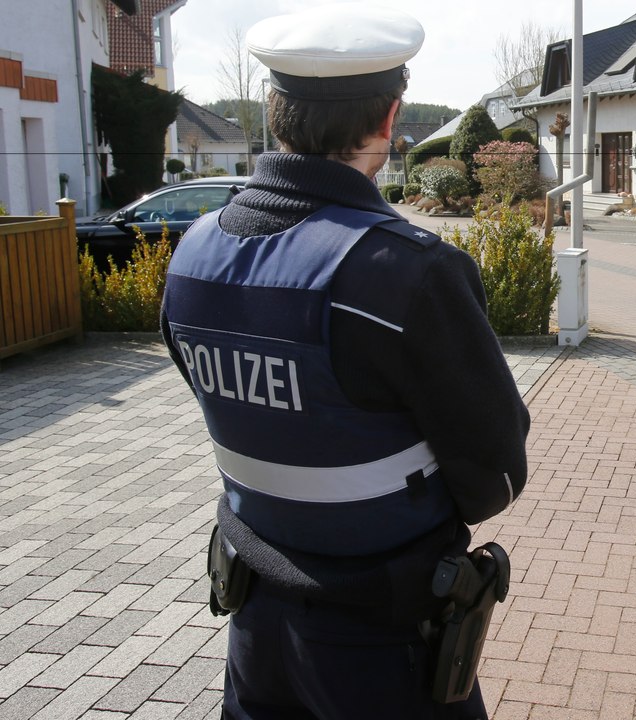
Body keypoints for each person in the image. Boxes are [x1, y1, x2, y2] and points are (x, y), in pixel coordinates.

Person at [159, 5, 529, 718]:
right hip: (383, 640)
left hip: (254, 621)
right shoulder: (408, 271)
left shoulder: (193, 254)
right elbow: (496, 473)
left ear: (276, 114)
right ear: (390, 120)